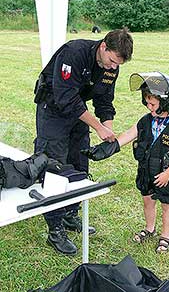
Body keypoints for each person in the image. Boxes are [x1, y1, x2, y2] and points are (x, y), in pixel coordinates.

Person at [33, 28, 133, 255]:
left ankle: (70, 214)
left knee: (79, 162)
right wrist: (97, 127)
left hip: (79, 111)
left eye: (118, 64)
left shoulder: (111, 68)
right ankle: (55, 229)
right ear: (103, 47)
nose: (113, 67)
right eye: (111, 61)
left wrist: (107, 125)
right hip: (54, 108)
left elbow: (105, 99)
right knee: (54, 165)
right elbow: (65, 98)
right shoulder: (74, 53)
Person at [82, 71, 169, 253]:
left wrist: (168, 174)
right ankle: (150, 229)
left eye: (152, 103)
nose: (148, 106)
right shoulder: (146, 121)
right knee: (148, 201)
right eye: (147, 102)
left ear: (166, 102)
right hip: (147, 171)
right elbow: (128, 134)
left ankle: (166, 235)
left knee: (167, 205)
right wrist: (108, 148)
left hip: (167, 174)